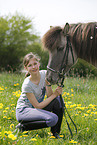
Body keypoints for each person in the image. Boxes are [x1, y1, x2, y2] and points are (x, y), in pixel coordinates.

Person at [16, 52, 64, 138]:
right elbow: (38, 106)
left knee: (58, 100)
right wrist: (55, 94)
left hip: (35, 110)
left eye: (35, 64)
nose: (33, 67)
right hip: (24, 111)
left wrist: (48, 85)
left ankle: (55, 133)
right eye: (30, 65)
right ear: (26, 68)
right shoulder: (27, 84)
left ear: (39, 64)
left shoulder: (45, 74)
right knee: (53, 119)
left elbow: (50, 97)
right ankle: (23, 127)